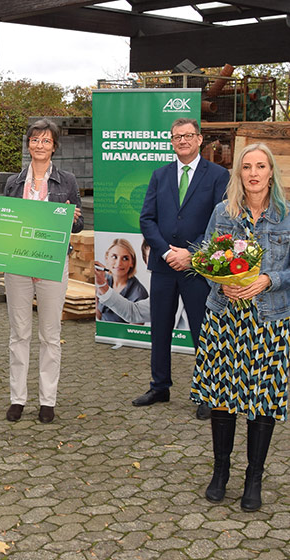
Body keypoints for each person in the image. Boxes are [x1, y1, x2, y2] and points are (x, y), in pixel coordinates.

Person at [192, 143, 289, 512]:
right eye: (246, 166)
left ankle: (254, 477)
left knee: (262, 399)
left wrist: (268, 279)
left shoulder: (286, 217)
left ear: (270, 173)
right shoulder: (223, 212)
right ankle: (221, 472)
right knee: (222, 395)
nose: (253, 173)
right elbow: (205, 253)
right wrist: (221, 280)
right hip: (225, 317)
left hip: (268, 321)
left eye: (260, 166)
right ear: (239, 174)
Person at [136, 117, 229, 420]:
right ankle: (159, 386)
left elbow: (221, 224)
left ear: (200, 139)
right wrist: (165, 252)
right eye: (177, 137)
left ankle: (207, 392)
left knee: (203, 330)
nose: (183, 141)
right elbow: (146, 219)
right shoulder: (159, 175)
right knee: (160, 328)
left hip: (198, 268)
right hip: (164, 266)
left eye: (188, 136)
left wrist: (191, 253)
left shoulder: (218, 176)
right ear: (171, 142)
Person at [2, 119, 83, 424]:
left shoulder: (67, 181)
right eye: (35, 140)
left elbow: (78, 225)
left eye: (46, 141)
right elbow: (6, 223)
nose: (39, 146)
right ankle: (17, 398)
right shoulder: (13, 182)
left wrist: (73, 218)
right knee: (19, 333)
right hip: (19, 264)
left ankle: (47, 400)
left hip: (51, 264)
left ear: (54, 146)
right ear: (28, 144)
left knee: (50, 334)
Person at [95, 238, 148, 323]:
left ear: (132, 262)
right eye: (114, 257)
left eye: (125, 258)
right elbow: (99, 316)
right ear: (107, 258)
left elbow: (134, 330)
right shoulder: (103, 280)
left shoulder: (139, 292)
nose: (119, 263)